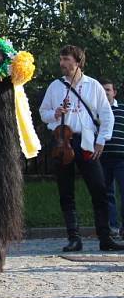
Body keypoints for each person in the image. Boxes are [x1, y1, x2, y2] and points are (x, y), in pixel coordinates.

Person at [38, 45, 124, 251]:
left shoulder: (93, 86)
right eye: (61, 59)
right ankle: (74, 238)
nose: (62, 63)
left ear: (78, 62)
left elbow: (106, 115)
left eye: (66, 59)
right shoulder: (55, 86)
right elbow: (43, 112)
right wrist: (55, 113)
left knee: (99, 189)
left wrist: (101, 140)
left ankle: (105, 237)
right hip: (61, 141)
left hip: (85, 141)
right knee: (66, 192)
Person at [100, 78, 124, 238]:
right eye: (102, 90)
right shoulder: (96, 111)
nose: (105, 93)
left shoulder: (122, 110)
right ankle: (113, 227)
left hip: (122, 158)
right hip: (101, 158)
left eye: (108, 90)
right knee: (106, 194)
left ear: (114, 92)